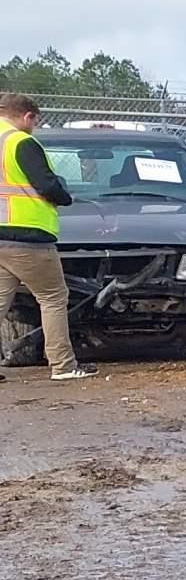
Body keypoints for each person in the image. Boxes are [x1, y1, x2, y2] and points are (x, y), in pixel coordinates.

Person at [0, 92, 91, 382]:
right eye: (34, 121)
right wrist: (64, 196)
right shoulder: (20, 142)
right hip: (27, 235)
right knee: (53, 297)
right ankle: (63, 365)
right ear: (27, 116)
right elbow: (46, 184)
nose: (34, 126)